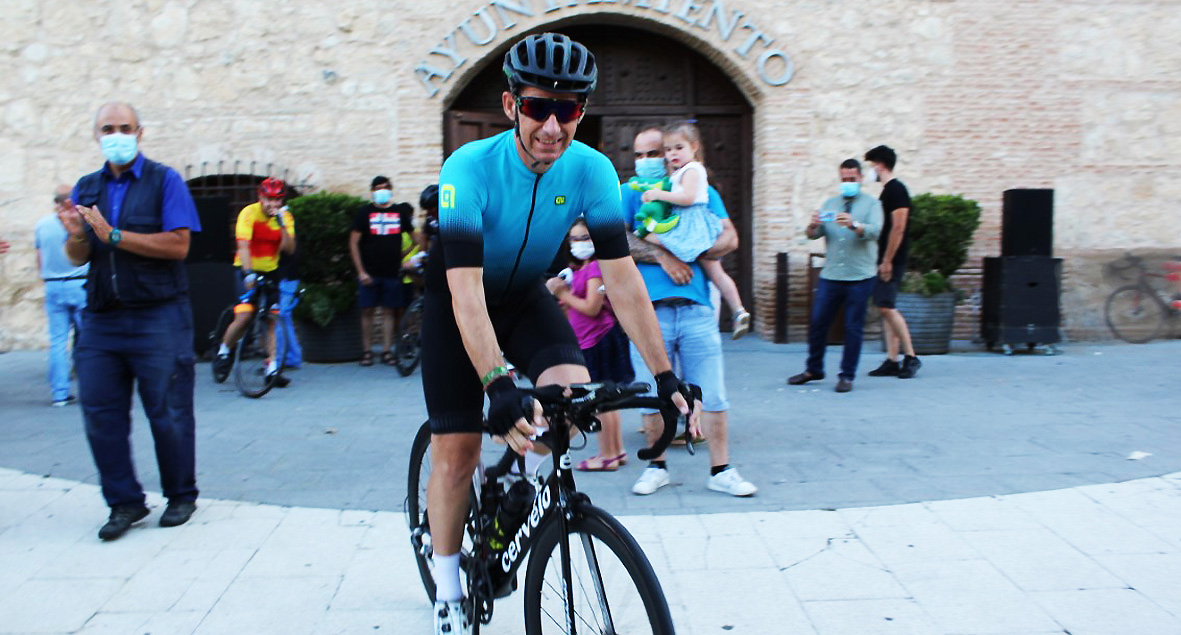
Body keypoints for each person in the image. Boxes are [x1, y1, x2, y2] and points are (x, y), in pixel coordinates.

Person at [423, 33, 698, 635]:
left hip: (524, 298)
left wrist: (666, 374)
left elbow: (623, 280)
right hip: (458, 303)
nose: (552, 124)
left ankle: (513, 489)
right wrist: (496, 382)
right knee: (459, 448)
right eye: (537, 107)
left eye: (568, 109)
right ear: (509, 106)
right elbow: (466, 294)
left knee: (569, 402)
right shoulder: (468, 168)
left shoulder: (592, 169)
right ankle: (446, 585)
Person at [60, 101, 201, 540]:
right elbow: (79, 255)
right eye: (108, 128)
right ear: (96, 135)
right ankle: (124, 503)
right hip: (102, 319)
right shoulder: (87, 187)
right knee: (100, 413)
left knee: (169, 412)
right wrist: (78, 235)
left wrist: (115, 236)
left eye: (125, 127)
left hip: (159, 315)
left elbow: (179, 246)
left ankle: (181, 495)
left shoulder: (165, 181)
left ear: (140, 133)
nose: (116, 134)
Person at [622, 126, 758, 498]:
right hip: (650, 312)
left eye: (658, 152)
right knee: (652, 393)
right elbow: (616, 240)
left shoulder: (697, 191)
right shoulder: (631, 194)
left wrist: (692, 248)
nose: (653, 160)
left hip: (697, 308)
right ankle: (657, 467)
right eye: (644, 154)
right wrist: (664, 255)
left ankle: (721, 469)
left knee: (713, 393)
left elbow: (730, 237)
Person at [639, 122, 751, 338]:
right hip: (693, 224)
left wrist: (657, 195)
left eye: (679, 148)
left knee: (650, 236)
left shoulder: (692, 170)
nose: (673, 153)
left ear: (694, 147)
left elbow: (687, 198)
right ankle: (738, 310)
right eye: (669, 149)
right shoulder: (681, 173)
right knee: (717, 273)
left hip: (691, 224)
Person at [787, 159, 884, 393]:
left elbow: (875, 231)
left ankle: (847, 375)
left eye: (852, 179)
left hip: (860, 276)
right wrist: (812, 225)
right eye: (844, 179)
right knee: (818, 323)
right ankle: (814, 369)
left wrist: (854, 225)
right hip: (831, 275)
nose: (848, 183)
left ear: (860, 178)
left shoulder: (872, 205)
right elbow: (814, 234)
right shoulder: (831, 203)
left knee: (853, 328)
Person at [546, 219, 634, 472]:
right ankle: (616, 452)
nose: (580, 244)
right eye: (574, 239)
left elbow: (592, 308)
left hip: (599, 340)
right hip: (590, 340)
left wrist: (563, 294)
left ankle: (607, 455)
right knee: (606, 401)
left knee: (599, 401)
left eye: (585, 238)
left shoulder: (596, 267)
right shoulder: (581, 268)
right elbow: (578, 306)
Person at [212, 178, 295, 385]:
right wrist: (248, 274)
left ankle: (271, 369)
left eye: (277, 200)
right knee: (245, 316)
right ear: (260, 197)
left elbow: (290, 249)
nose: (273, 204)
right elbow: (243, 246)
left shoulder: (285, 217)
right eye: (268, 199)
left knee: (271, 320)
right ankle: (224, 350)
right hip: (246, 268)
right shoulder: (249, 213)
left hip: (271, 271)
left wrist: (283, 226)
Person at [863, 145, 922, 379]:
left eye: (871, 166)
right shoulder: (888, 191)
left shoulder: (897, 190)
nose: (870, 172)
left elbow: (898, 227)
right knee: (885, 306)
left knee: (887, 306)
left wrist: (887, 260)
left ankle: (911, 356)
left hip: (892, 259)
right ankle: (892, 359)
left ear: (880, 164)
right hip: (883, 258)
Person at [349, 176, 414, 366]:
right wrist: (361, 271)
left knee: (389, 312)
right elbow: (353, 243)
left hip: (392, 272)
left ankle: (387, 351)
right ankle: (367, 352)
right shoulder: (364, 213)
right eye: (378, 188)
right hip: (368, 272)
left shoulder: (399, 212)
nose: (382, 191)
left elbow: (416, 238)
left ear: (391, 190)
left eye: (385, 187)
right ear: (372, 191)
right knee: (367, 311)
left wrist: (402, 256)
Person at [35, 185, 90, 406]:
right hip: (80, 283)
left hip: (53, 285)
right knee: (87, 340)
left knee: (57, 342)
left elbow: (39, 259)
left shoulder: (41, 225)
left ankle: (59, 393)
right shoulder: (82, 223)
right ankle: (90, 389)